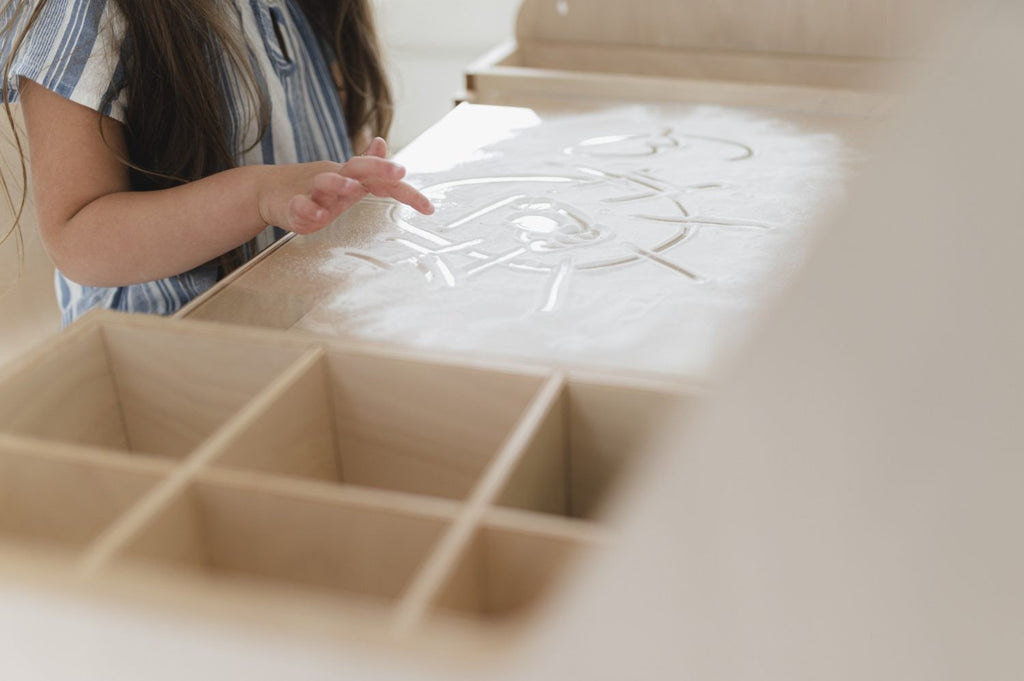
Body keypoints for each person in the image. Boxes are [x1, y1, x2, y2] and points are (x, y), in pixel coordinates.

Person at [0, 0, 433, 325]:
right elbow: (79, 241)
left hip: (303, 324)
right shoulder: (81, 10)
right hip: (165, 355)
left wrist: (351, 184)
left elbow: (331, 129)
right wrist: (258, 196)